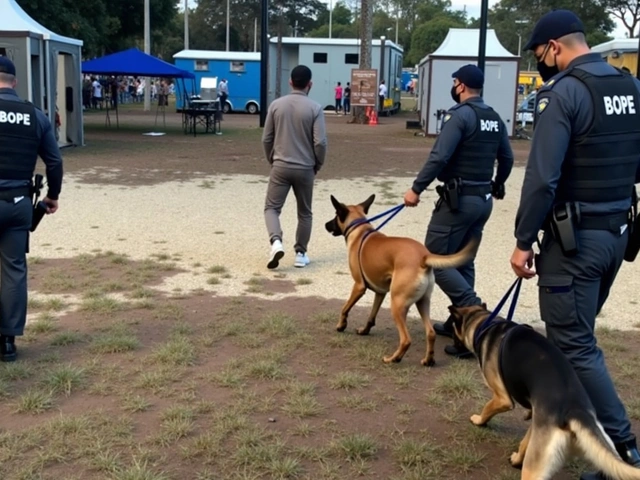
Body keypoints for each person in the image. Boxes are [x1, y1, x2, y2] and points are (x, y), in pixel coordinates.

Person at [510, 10, 640, 479]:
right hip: (615, 236)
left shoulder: (563, 94)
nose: (541, 62)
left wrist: (524, 240)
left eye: (539, 53)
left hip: (575, 243)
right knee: (574, 341)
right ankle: (572, 427)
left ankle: (621, 449)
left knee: (575, 344)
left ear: (555, 48)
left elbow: (543, 179)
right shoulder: (631, 88)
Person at [403, 64, 514, 358]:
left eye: (454, 82)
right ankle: (460, 322)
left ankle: (474, 315)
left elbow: (439, 156)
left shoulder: (460, 116)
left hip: (458, 200)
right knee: (463, 261)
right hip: (482, 200)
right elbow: (507, 157)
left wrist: (416, 188)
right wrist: (498, 183)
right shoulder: (494, 118)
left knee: (433, 261)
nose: (453, 87)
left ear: (461, 86)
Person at [0, 57, 63, 362]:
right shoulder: (34, 115)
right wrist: (52, 196)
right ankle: (8, 342)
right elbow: (54, 161)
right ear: (14, 81)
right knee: (13, 271)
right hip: (18, 204)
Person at [262, 65, 327, 269]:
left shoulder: (276, 105)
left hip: (280, 165)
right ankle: (300, 253)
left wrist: (272, 159)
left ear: (290, 82)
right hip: (306, 167)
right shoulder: (315, 108)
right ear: (310, 84)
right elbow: (320, 142)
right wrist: (318, 163)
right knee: (305, 212)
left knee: (272, 208)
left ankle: (276, 241)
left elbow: (266, 138)